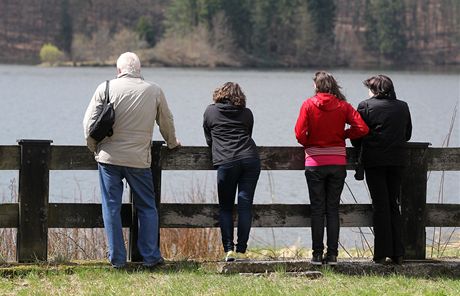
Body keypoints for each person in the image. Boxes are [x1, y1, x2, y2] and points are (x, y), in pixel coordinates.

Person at [83, 52, 180, 268]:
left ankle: (117, 259)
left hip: (109, 159)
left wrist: (95, 149)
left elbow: (89, 124)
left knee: (111, 207)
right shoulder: (154, 90)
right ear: (139, 69)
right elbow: (166, 121)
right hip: (139, 160)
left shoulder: (105, 87)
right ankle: (151, 257)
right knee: (147, 207)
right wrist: (172, 143)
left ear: (119, 70)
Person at [295, 71, 369, 265]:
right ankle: (333, 254)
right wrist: (343, 135)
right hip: (337, 162)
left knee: (317, 209)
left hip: (315, 163)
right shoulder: (343, 106)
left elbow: (299, 134)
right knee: (333, 209)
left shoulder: (308, 104)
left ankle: (317, 255)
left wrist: (310, 141)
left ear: (317, 86)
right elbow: (362, 128)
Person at [352, 75, 412, 265]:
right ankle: (398, 252)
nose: (367, 91)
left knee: (380, 206)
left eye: (369, 88)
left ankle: (381, 253)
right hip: (397, 160)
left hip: (375, 161)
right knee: (394, 204)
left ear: (375, 89)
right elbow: (408, 134)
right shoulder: (403, 106)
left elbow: (357, 135)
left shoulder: (365, 106)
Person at [203, 82, 261, 262]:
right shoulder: (247, 113)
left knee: (226, 208)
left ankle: (229, 250)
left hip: (226, 162)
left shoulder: (210, 112)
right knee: (245, 206)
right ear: (239, 96)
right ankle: (242, 251)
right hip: (250, 160)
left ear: (219, 94)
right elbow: (249, 133)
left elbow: (209, 139)